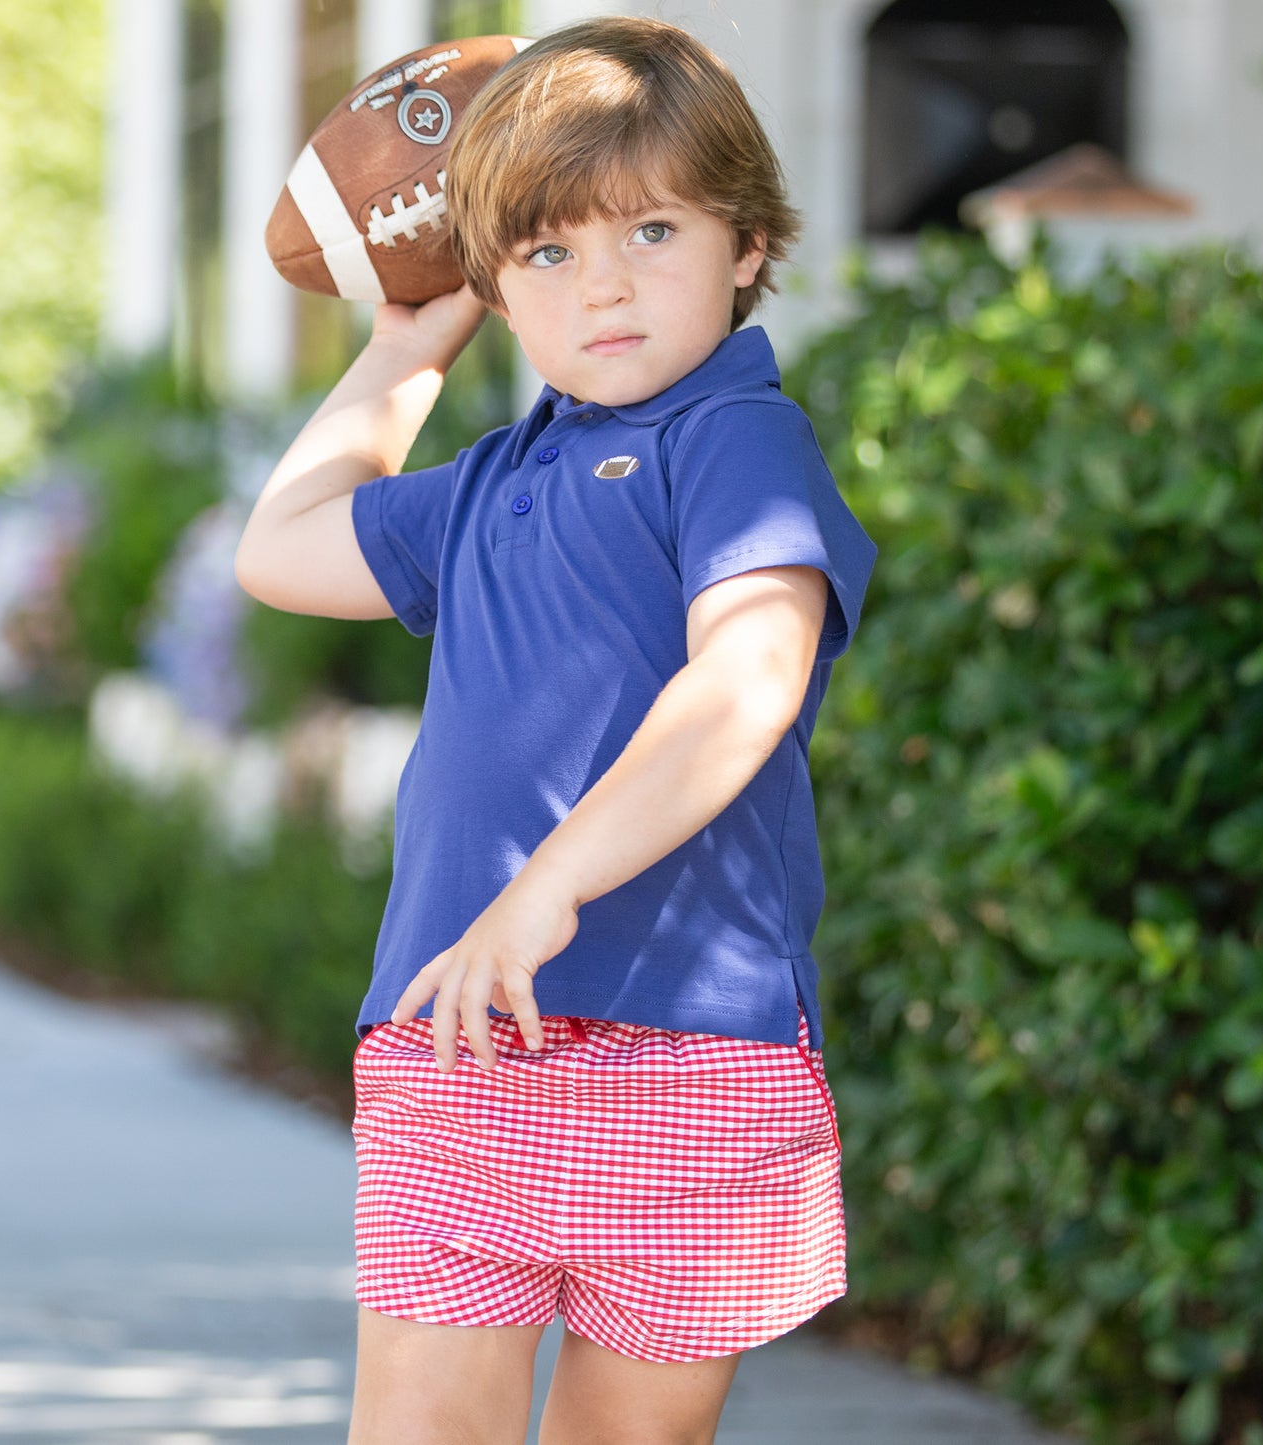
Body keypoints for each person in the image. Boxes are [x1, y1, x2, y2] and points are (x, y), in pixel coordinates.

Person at [235, 17, 876, 1444]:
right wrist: (404, 348)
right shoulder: (482, 486)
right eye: (547, 254)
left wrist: (548, 884)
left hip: (694, 1057)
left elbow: (746, 676)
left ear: (747, 245)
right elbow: (278, 550)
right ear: (497, 288)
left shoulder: (735, 440)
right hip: (459, 1042)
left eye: (651, 231)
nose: (605, 289)